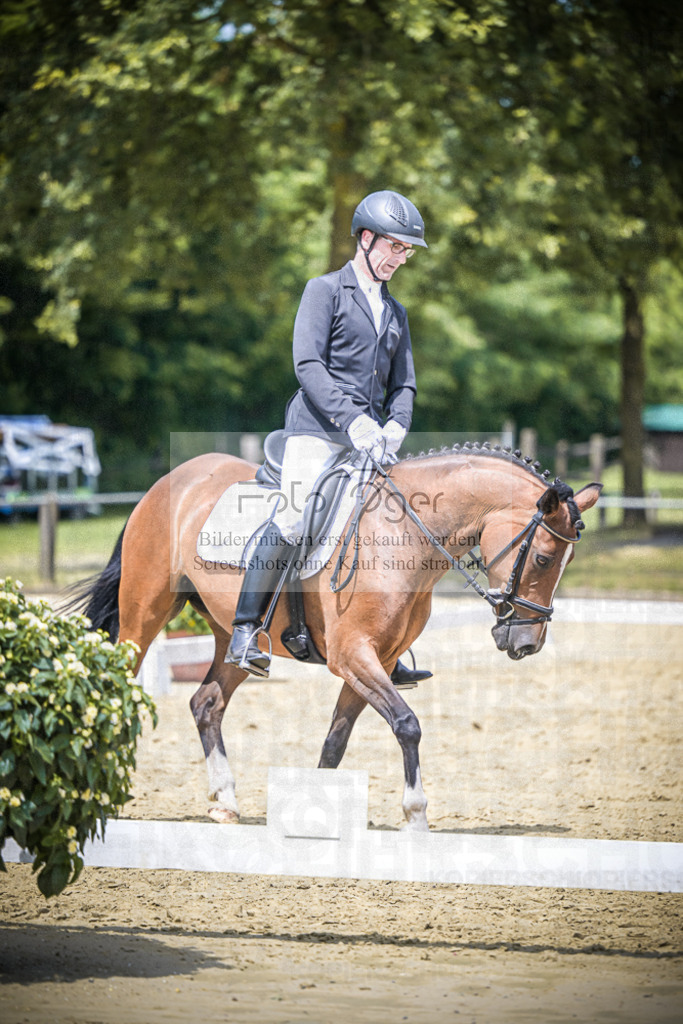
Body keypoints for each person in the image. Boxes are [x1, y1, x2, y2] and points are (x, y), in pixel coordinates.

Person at [226, 189, 432, 685]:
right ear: (366, 239)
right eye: (394, 248)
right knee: (295, 518)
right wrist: (354, 421)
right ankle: (246, 630)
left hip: (370, 441)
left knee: (390, 521)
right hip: (317, 430)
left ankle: (382, 640)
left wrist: (395, 425)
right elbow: (308, 366)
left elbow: (404, 382)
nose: (399, 259)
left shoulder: (395, 312)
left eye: (406, 252)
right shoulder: (324, 291)